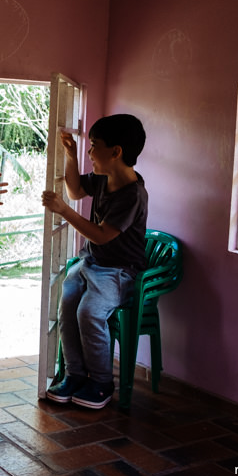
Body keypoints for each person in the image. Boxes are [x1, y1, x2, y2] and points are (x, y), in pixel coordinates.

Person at [40, 114, 147, 409]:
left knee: (89, 314)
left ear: (116, 152)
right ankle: (74, 375)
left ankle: (101, 382)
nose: (89, 152)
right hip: (91, 264)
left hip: (119, 272)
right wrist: (71, 155)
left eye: (93, 146)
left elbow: (101, 235)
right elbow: (75, 190)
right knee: (67, 306)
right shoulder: (103, 178)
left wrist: (64, 211)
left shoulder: (133, 194)